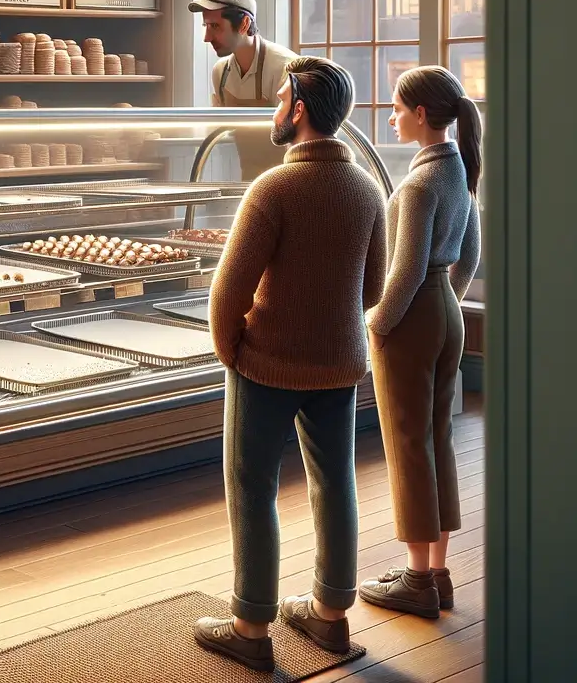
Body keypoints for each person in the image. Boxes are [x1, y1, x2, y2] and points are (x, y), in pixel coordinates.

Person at [194, 56, 387, 673]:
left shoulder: (272, 189)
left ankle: (251, 625)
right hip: (339, 363)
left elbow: (229, 289)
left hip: (267, 364)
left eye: (281, 98)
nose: (276, 107)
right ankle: (330, 618)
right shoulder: (365, 189)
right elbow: (374, 286)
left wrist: (234, 349)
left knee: (253, 487)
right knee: (337, 484)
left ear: (300, 110)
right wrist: (328, 323)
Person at [356, 67, 483, 618]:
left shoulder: (418, 184)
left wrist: (377, 323)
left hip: (413, 318)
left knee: (407, 446)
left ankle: (414, 581)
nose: (392, 116)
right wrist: (446, 299)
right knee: (436, 439)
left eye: (398, 108)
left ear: (422, 115)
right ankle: (436, 572)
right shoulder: (458, 172)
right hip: (446, 314)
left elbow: (404, 271)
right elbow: (470, 254)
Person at [190, 0, 301, 181]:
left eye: (215, 26)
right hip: (248, 184)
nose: (207, 38)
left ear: (243, 24)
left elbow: (298, 143)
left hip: (288, 184)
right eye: (205, 26)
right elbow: (221, 130)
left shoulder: (285, 68)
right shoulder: (221, 73)